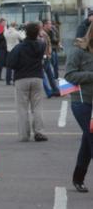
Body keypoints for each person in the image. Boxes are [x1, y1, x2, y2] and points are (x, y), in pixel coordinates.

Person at [7, 22, 48, 142]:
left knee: (22, 108)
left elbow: (10, 63)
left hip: (22, 78)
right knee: (37, 107)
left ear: (25, 32)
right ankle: (39, 132)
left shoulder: (19, 47)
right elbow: (43, 43)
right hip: (37, 77)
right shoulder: (41, 45)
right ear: (37, 33)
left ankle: (24, 135)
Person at [64, 23, 93, 193]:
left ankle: (78, 178)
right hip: (82, 102)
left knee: (87, 142)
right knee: (91, 137)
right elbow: (69, 75)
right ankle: (78, 179)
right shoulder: (79, 51)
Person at [40, 20, 60, 98]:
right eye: (49, 24)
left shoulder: (50, 31)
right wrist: (45, 55)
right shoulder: (41, 34)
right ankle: (49, 91)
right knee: (42, 74)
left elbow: (52, 42)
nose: (51, 25)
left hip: (48, 56)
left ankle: (55, 90)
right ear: (44, 25)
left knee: (50, 74)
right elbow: (43, 45)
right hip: (44, 57)